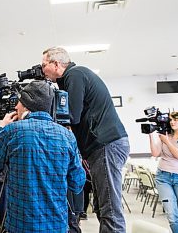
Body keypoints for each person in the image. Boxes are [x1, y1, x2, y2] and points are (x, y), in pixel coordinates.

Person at [42, 46, 129, 233]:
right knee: (101, 206)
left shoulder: (75, 74)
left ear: (56, 64)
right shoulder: (72, 78)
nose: (42, 70)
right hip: (102, 146)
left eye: (43, 65)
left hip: (106, 144)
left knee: (110, 209)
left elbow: (71, 116)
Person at [0, 80, 85, 233]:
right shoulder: (67, 136)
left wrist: (0, 129)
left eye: (18, 102)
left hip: (20, 225)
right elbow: (77, 183)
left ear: (26, 105)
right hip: (56, 225)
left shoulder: (11, 131)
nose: (15, 107)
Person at [149, 112, 178, 233]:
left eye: (176, 119)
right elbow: (155, 153)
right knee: (171, 214)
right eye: (170, 120)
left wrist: (166, 141)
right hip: (163, 177)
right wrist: (150, 134)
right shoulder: (166, 135)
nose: (172, 122)